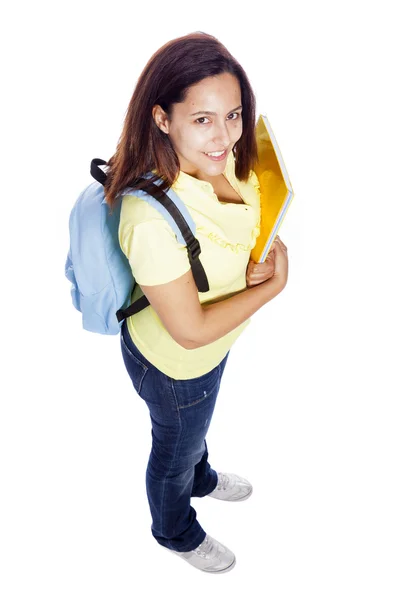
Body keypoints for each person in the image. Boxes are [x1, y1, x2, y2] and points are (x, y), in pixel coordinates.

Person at [104, 31, 289, 574]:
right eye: (202, 119)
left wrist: (263, 254)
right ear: (162, 119)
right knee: (174, 448)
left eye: (233, 114)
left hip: (213, 347)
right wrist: (270, 288)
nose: (225, 136)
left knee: (192, 431)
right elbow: (187, 332)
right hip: (177, 364)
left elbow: (242, 226)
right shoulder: (150, 217)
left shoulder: (228, 159)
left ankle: (200, 476)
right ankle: (175, 529)